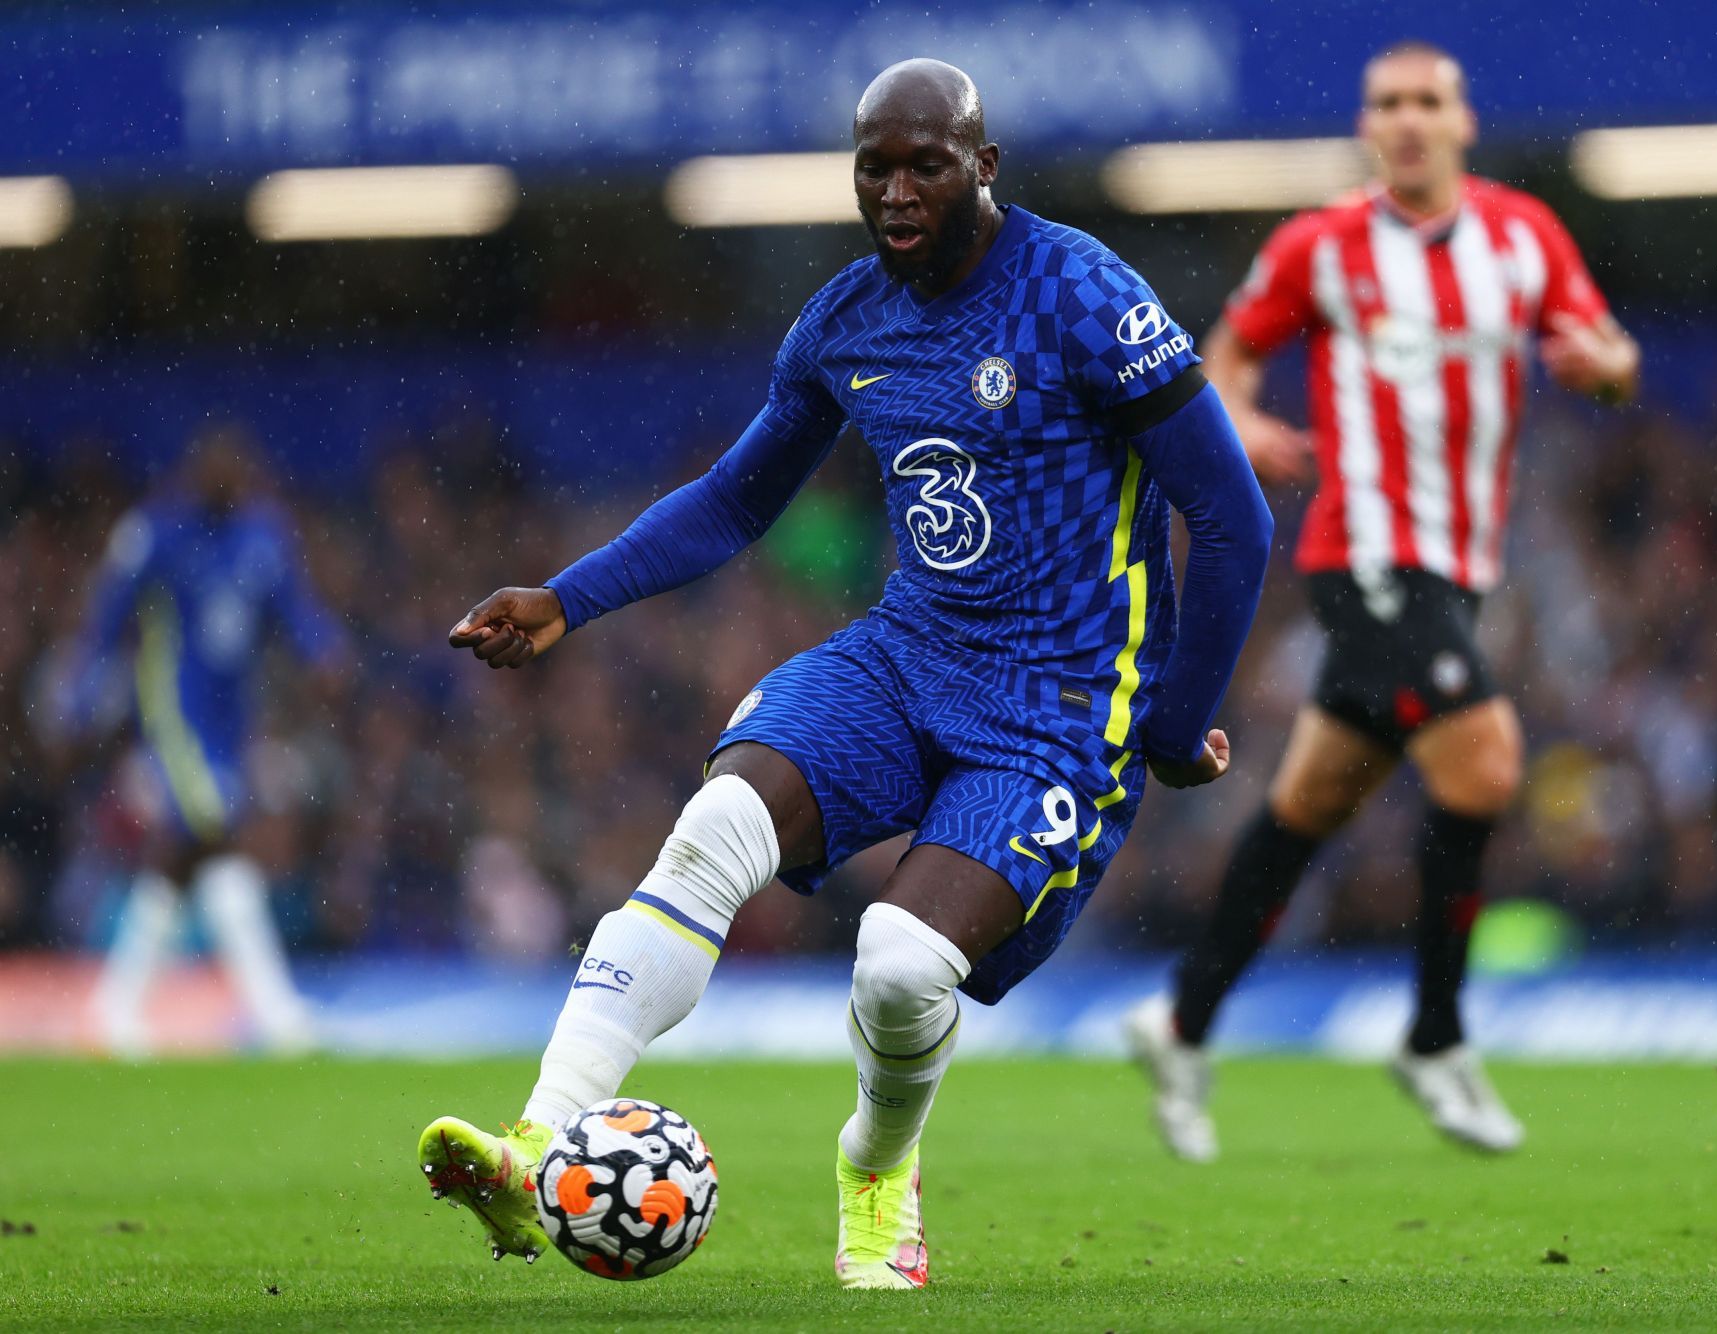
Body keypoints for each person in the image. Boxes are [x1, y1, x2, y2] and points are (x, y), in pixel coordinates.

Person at [417, 59, 1271, 1288]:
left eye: (927, 161)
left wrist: (1178, 719)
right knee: (714, 829)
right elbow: (733, 500)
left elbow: (1231, 513)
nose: (898, 187)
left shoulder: (1083, 295)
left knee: (902, 963)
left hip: (1060, 708)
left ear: (984, 166)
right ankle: (534, 1143)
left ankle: (876, 1163)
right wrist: (568, 597)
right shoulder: (844, 320)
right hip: (907, 657)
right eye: (876, 163)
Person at [1127, 41, 1640, 1161]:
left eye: (1428, 102)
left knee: (1311, 798)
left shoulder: (1524, 236)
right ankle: (1437, 1033)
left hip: (1460, 562)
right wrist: (1244, 425)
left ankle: (1180, 1019)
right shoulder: (1322, 244)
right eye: (1387, 103)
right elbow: (1224, 360)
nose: (1408, 120)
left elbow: (1611, 355)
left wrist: (1597, 362)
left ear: (1462, 121)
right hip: (1361, 546)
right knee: (1489, 757)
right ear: (1370, 125)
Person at [60, 424, 346, 1056]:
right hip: (175, 712)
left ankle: (115, 1008)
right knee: (215, 837)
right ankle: (273, 1014)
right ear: (195, 474)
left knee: (190, 853)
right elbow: (109, 616)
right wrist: (81, 690)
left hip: (231, 718)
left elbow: (293, 609)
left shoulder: (264, 533)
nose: (228, 481)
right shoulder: (155, 533)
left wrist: (323, 650)